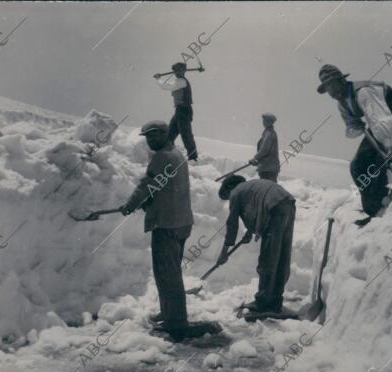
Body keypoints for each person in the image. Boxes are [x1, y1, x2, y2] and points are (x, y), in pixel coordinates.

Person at [120, 120, 218, 341]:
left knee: (167, 274)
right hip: (180, 222)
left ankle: (177, 324)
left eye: (154, 136)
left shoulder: (162, 157)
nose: (150, 140)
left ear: (164, 134)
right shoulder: (176, 154)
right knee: (170, 272)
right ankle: (169, 313)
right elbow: (164, 188)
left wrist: (131, 204)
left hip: (167, 224)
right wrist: (148, 202)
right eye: (147, 137)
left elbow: (147, 185)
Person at [316, 64, 392, 227]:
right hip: (377, 123)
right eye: (326, 88)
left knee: (380, 163)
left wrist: (389, 147)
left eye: (331, 85)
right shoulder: (342, 102)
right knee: (358, 166)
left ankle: (388, 205)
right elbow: (351, 126)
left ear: (340, 81)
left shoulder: (363, 92)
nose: (330, 92)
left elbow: (382, 119)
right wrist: (355, 125)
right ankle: (374, 210)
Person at [216, 175, 296, 313]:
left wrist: (224, 252)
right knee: (282, 255)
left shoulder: (236, 192)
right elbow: (255, 208)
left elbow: (232, 223)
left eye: (228, 197)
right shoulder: (251, 187)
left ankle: (262, 303)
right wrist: (250, 231)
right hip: (288, 203)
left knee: (268, 257)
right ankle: (276, 301)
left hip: (274, 209)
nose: (230, 200)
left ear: (229, 188)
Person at [154, 62, 199, 161]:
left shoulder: (181, 81)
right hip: (179, 111)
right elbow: (168, 85)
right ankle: (168, 155)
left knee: (186, 134)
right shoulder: (179, 81)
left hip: (184, 110)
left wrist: (158, 79)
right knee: (170, 135)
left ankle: (193, 157)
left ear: (183, 71)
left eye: (178, 70)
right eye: (175, 70)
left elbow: (166, 86)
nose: (176, 72)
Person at [249, 113, 280, 182]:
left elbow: (264, 149)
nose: (264, 122)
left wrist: (255, 158)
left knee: (267, 189)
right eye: (264, 120)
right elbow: (267, 153)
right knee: (268, 189)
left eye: (266, 121)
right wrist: (258, 161)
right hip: (268, 168)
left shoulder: (269, 133)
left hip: (268, 169)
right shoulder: (268, 132)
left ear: (271, 122)